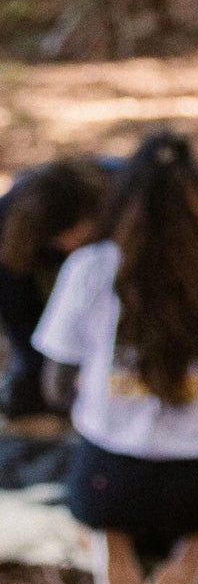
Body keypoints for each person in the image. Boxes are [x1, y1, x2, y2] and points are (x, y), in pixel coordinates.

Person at [33, 132, 198, 584]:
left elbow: (56, 386)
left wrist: (102, 393)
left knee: (93, 484)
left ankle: (111, 535)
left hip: (107, 478)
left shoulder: (89, 270)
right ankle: (196, 542)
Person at [0, 157, 114, 418]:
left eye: (86, 241)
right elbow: (18, 315)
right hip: (37, 300)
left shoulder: (124, 194)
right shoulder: (8, 227)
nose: (77, 249)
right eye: (72, 244)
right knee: (27, 395)